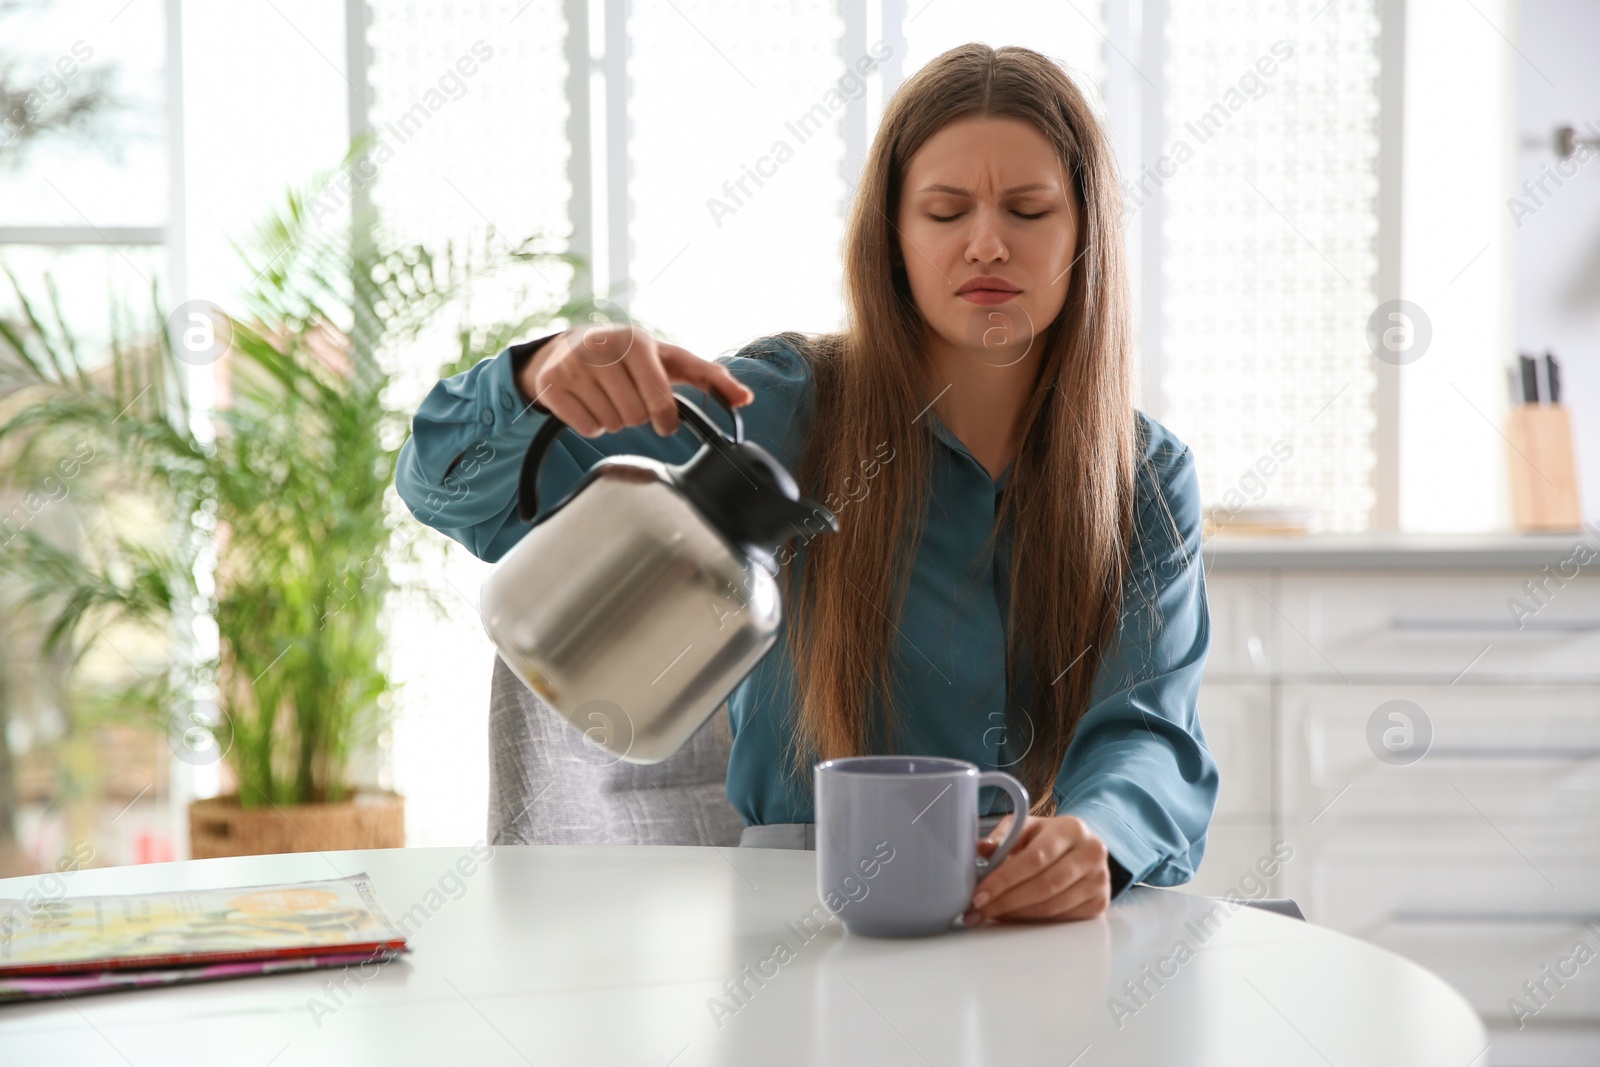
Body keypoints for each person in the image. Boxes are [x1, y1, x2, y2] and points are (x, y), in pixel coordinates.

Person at [395, 43, 1217, 925]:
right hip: (794, 918)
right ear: (893, 241)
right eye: (944, 212)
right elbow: (448, 484)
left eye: (1028, 209)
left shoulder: (1147, 479)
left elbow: (1148, 731)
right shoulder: (778, 405)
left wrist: (1097, 835)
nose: (987, 241)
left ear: (1085, 234)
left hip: (1024, 919)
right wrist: (535, 379)